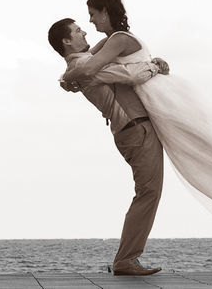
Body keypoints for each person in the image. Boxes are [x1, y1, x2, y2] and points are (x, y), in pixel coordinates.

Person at [61, 0, 212, 230]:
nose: (90, 21)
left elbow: (89, 68)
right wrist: (70, 79)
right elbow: (82, 61)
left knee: (210, 133)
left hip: (161, 96)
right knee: (206, 136)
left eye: (92, 14)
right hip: (155, 96)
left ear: (105, 11)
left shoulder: (118, 40)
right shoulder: (109, 41)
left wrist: (66, 79)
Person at [49, 17, 168, 276]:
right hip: (135, 129)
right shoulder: (84, 66)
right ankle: (126, 260)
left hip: (131, 130)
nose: (84, 31)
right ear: (67, 41)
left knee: (148, 192)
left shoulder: (79, 64)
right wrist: (155, 66)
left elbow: (104, 46)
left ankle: (127, 258)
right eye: (78, 31)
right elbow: (130, 75)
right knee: (148, 192)